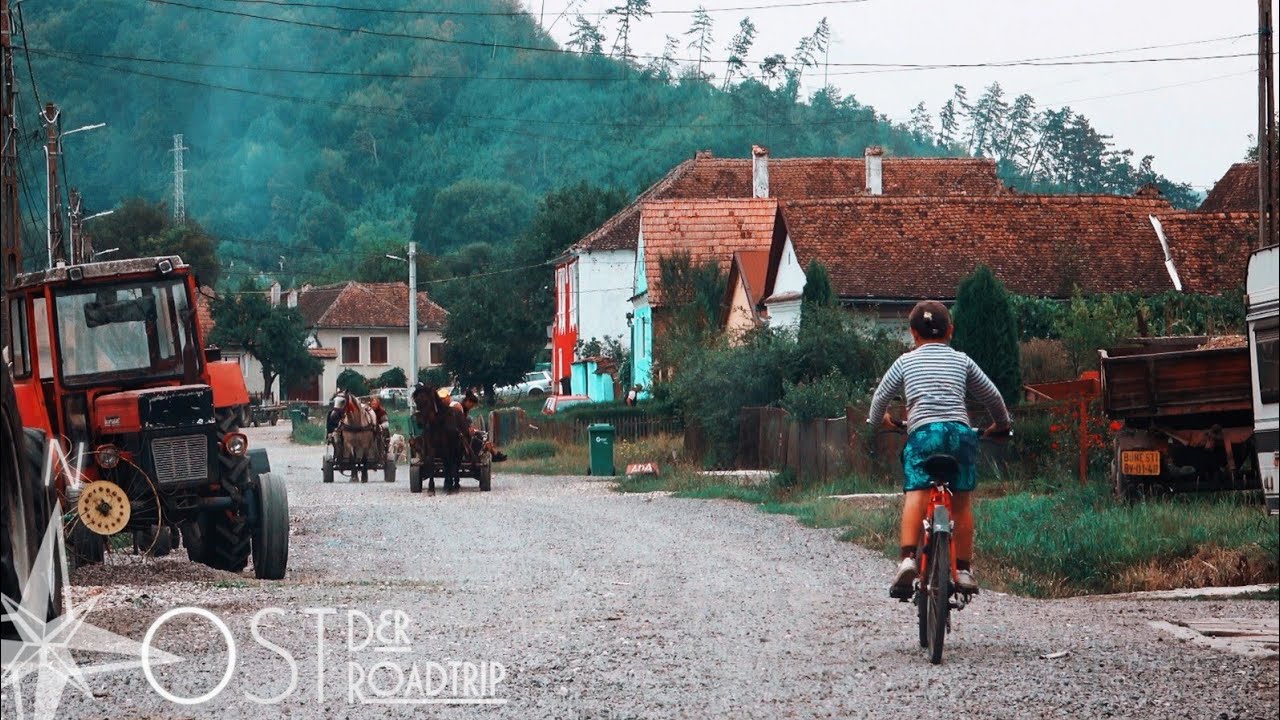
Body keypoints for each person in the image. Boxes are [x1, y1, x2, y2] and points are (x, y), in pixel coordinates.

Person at [867, 300, 1010, 595]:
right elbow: (993, 396)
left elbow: (880, 398)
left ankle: (908, 558)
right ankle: (964, 569)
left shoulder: (905, 362)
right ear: (950, 331)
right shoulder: (962, 361)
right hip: (959, 434)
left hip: (923, 435)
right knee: (961, 501)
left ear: (913, 333)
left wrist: (879, 419)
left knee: (917, 491)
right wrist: (1001, 424)